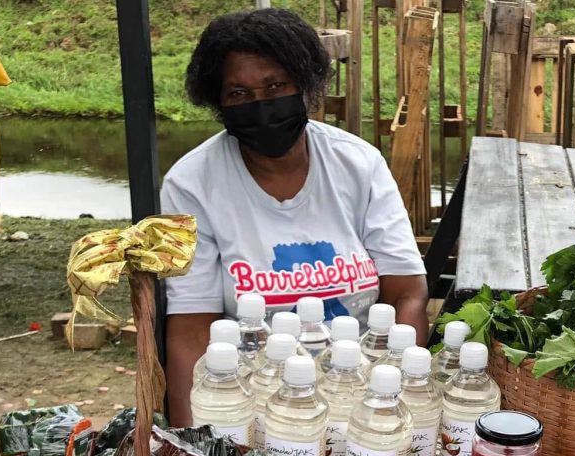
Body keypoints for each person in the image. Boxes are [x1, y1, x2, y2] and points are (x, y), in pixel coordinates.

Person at [161, 8, 428, 424]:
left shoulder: (359, 165)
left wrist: (396, 402)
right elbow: (192, 329)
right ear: (217, 102)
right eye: (239, 94)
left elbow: (406, 294)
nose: (261, 106)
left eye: (275, 86)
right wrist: (190, 442)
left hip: (359, 397)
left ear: (305, 85)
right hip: (251, 405)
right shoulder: (192, 184)